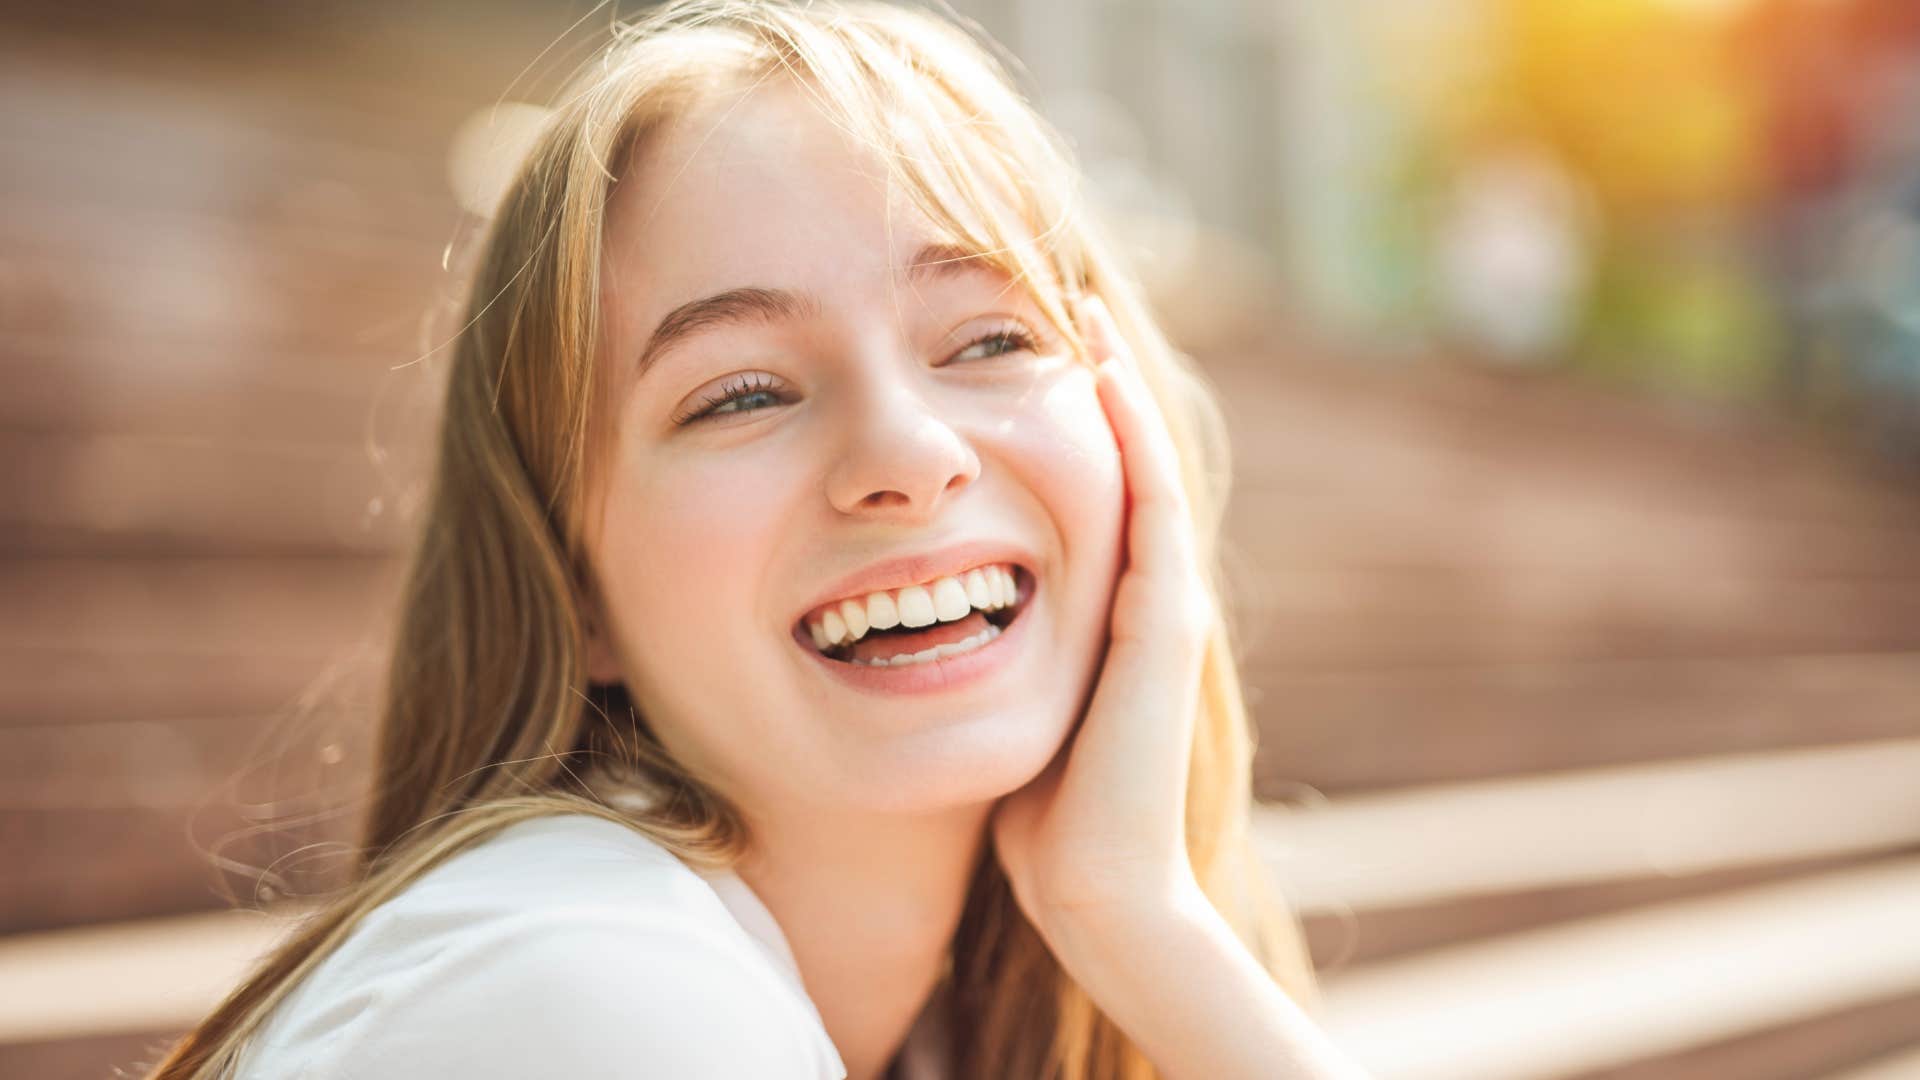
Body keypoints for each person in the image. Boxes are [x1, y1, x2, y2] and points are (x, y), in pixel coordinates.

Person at [143, 2, 1366, 1077]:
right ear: (572, 590)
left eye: (990, 339)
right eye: (739, 393)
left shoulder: (920, 1015)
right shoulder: (595, 1002)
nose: (907, 454)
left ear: (1128, 432)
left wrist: (1141, 925)